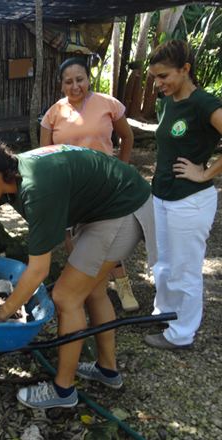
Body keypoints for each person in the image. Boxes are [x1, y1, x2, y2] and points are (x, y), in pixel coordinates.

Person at [0, 135, 157, 409]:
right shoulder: (4, 176)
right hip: (105, 204)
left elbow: (38, 270)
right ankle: (108, 370)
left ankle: (63, 390)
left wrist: (1, 312)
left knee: (66, 297)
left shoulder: (36, 191)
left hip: (122, 207)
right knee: (92, 290)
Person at [41, 57, 138, 312]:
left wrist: (123, 167)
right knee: (74, 235)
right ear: (61, 85)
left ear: (88, 79)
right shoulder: (53, 114)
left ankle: (122, 283)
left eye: (80, 79)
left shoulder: (108, 104)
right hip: (70, 187)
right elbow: (43, 155)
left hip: (105, 185)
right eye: (68, 81)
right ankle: (84, 286)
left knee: (106, 235)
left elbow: (127, 136)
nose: (75, 86)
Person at [144, 39, 222, 350]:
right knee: (162, 264)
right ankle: (165, 314)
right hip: (161, 195)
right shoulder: (168, 101)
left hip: (190, 200)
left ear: (185, 69)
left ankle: (182, 334)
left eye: (163, 76)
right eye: (154, 78)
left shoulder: (204, 103)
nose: (158, 83)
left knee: (185, 269)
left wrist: (204, 172)